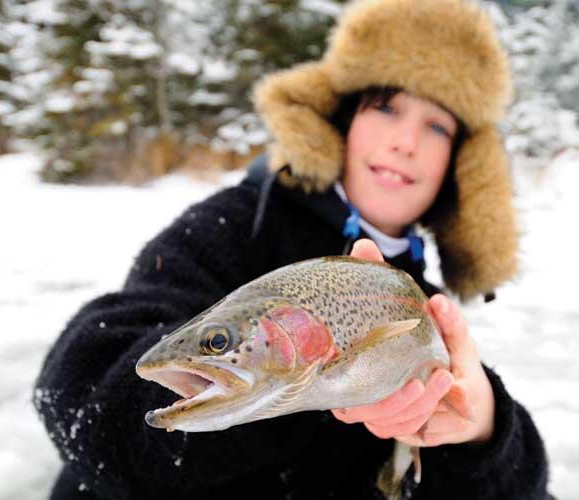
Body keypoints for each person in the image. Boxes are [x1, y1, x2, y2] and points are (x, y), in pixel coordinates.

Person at [34, 0, 550, 499]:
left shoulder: (428, 307)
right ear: (342, 121)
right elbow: (82, 390)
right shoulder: (232, 227)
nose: (405, 141)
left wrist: (482, 431)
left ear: (462, 166)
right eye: (386, 107)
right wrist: (267, 395)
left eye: (438, 126)